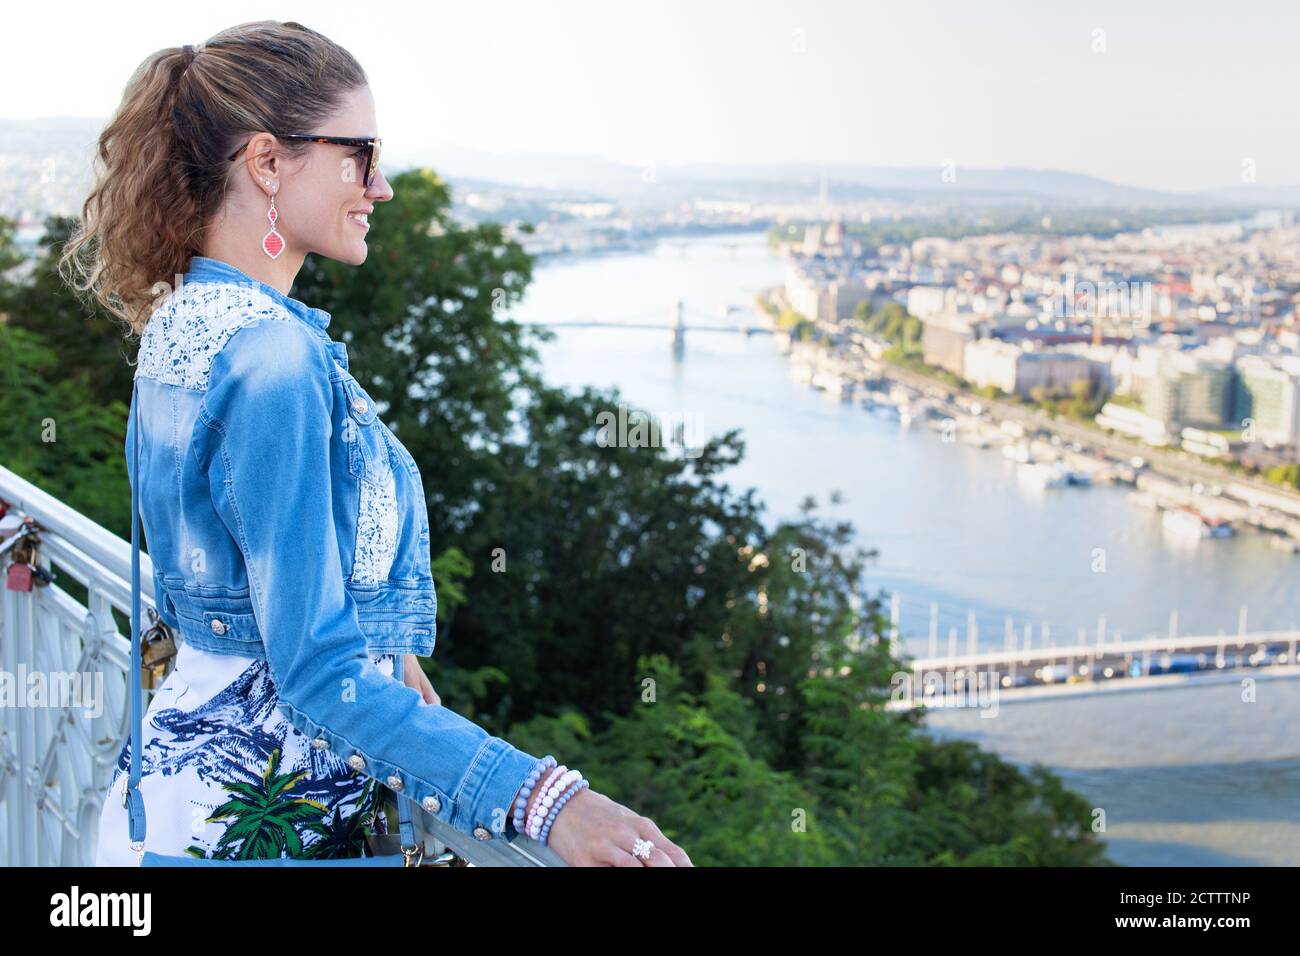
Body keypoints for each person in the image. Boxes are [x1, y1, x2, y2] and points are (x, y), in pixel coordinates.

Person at [60, 19, 690, 868]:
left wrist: (398, 679)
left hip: (170, 807)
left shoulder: (182, 324)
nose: (380, 185)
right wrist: (548, 801)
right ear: (268, 162)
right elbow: (316, 671)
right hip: (260, 831)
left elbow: (226, 602)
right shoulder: (274, 360)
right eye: (359, 152)